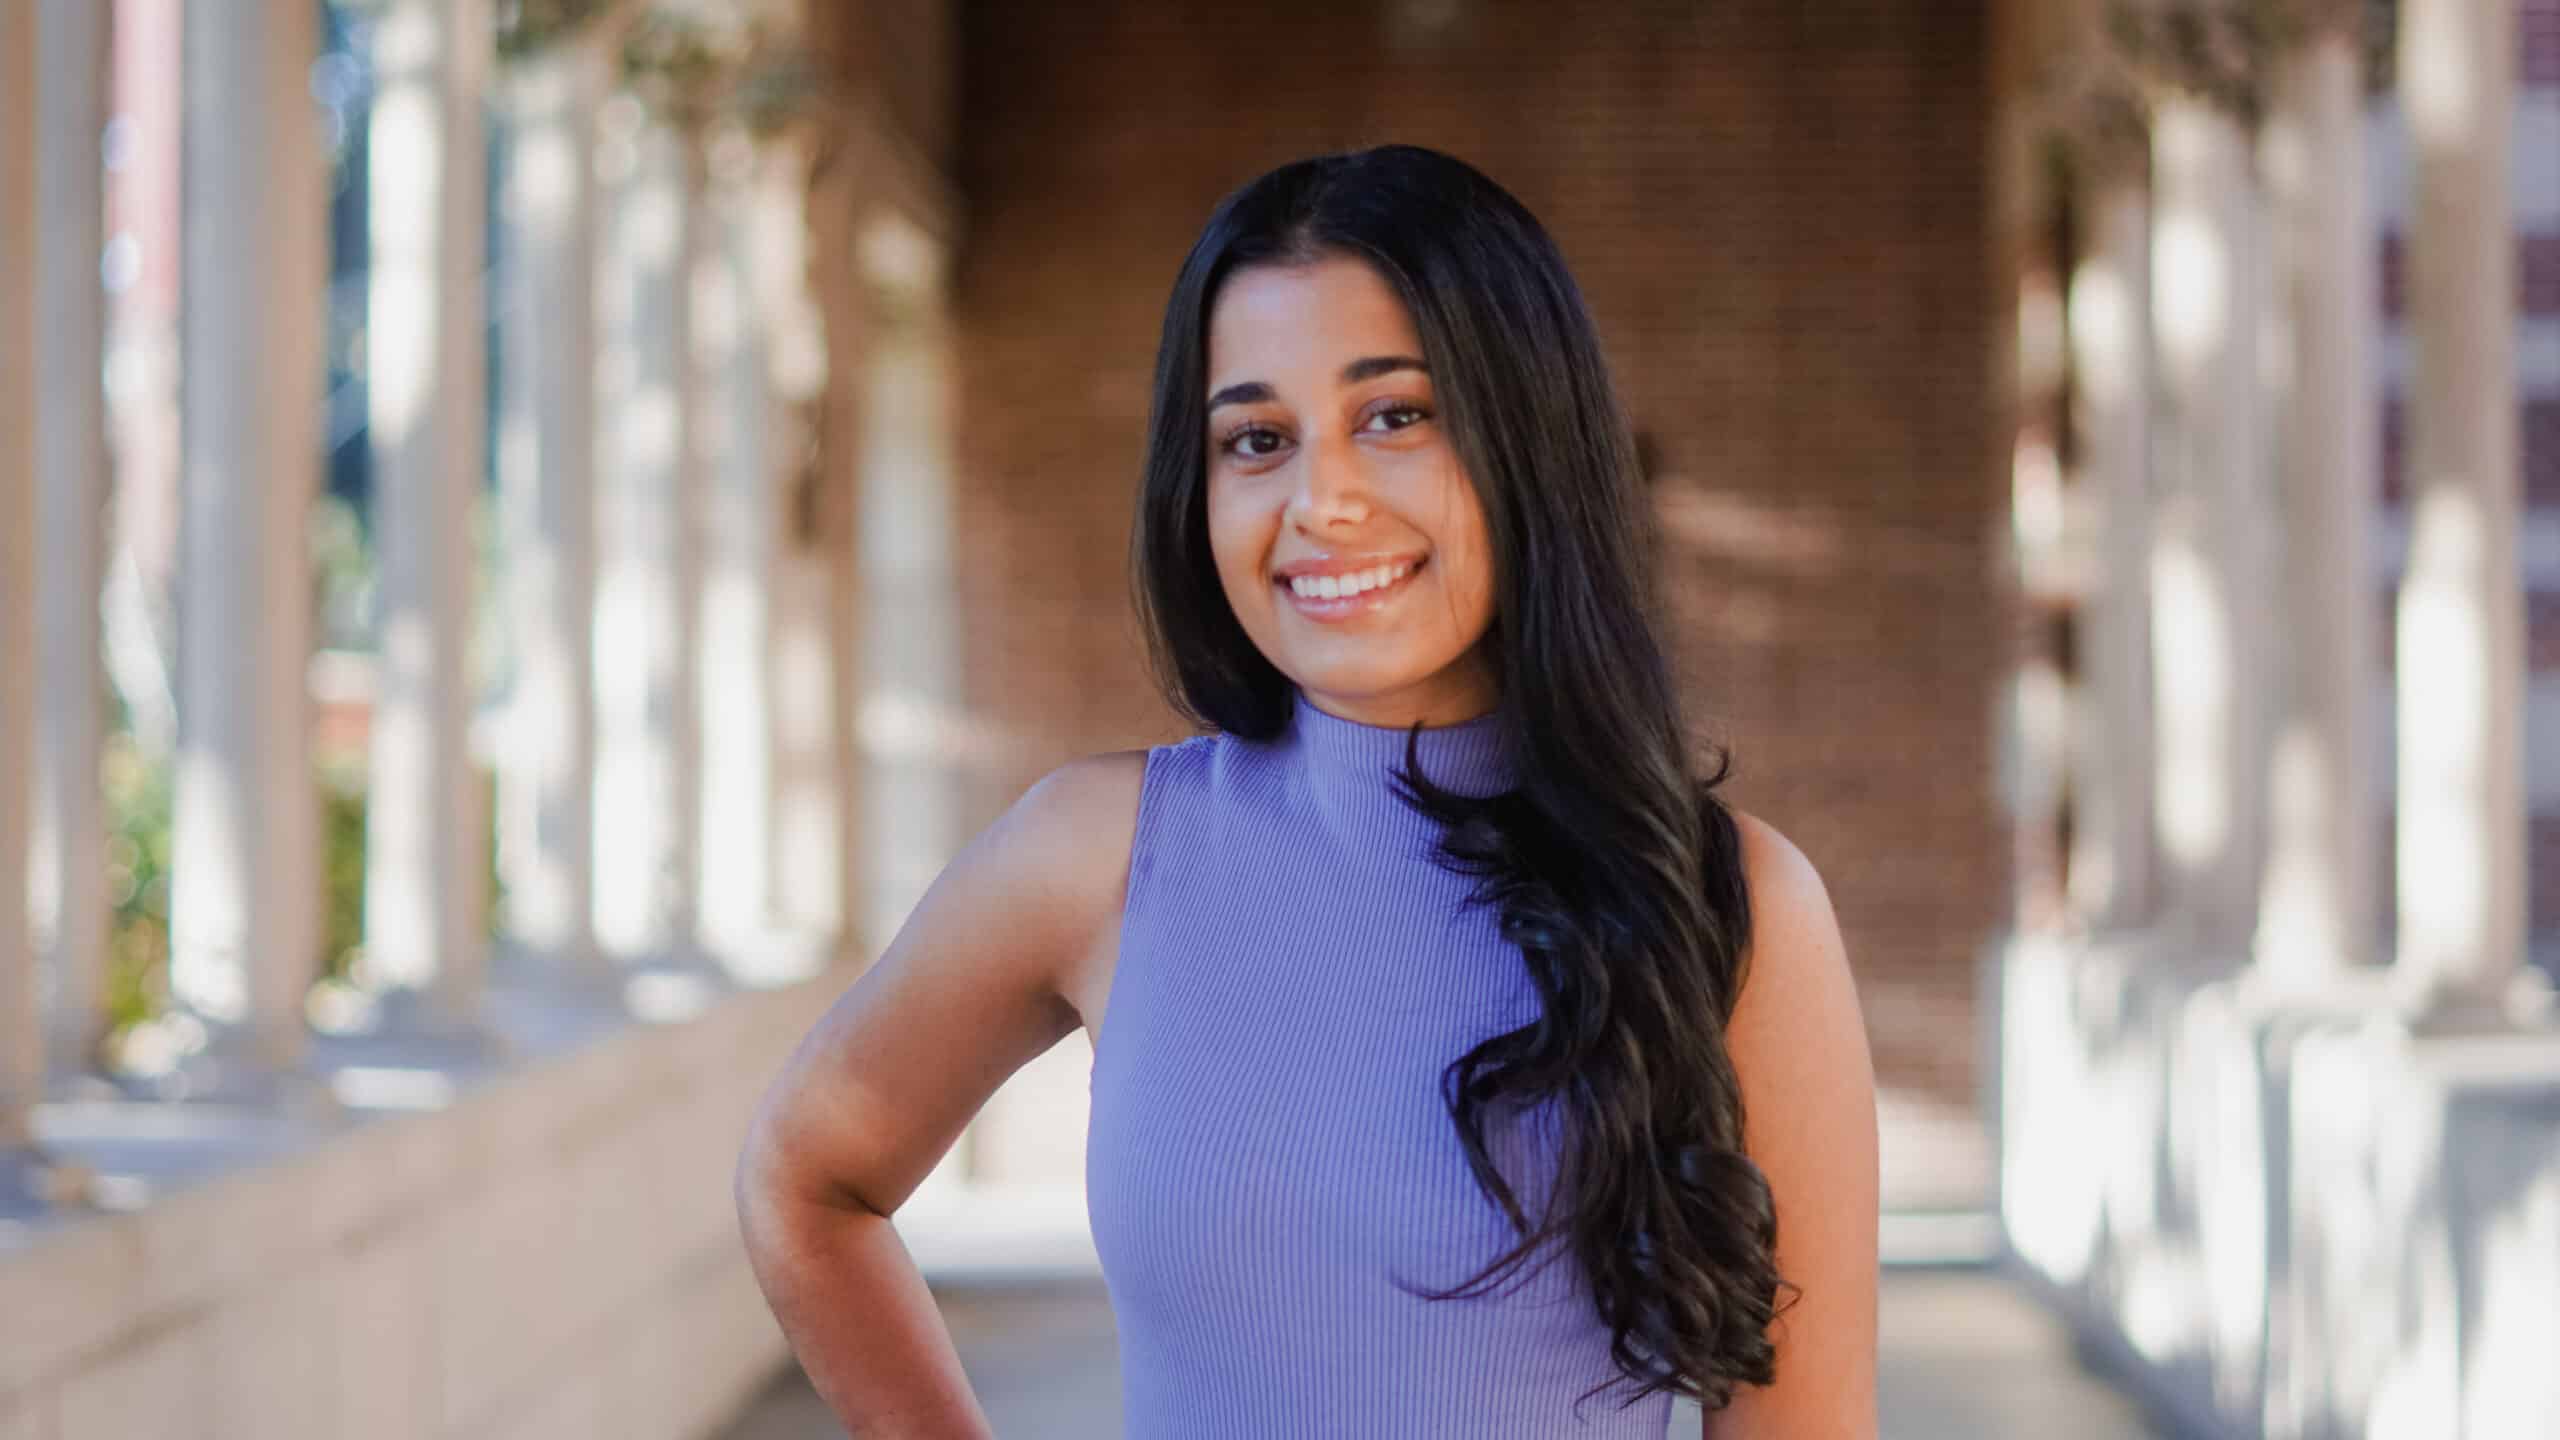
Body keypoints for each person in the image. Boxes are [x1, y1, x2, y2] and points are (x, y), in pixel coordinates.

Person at [734, 142, 1879, 1439]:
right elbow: (807, 1176)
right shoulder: (1098, 854)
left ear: (1529, 438)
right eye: (1257, 438)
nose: (1319, 499)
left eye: (1395, 414)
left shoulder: (1738, 907)